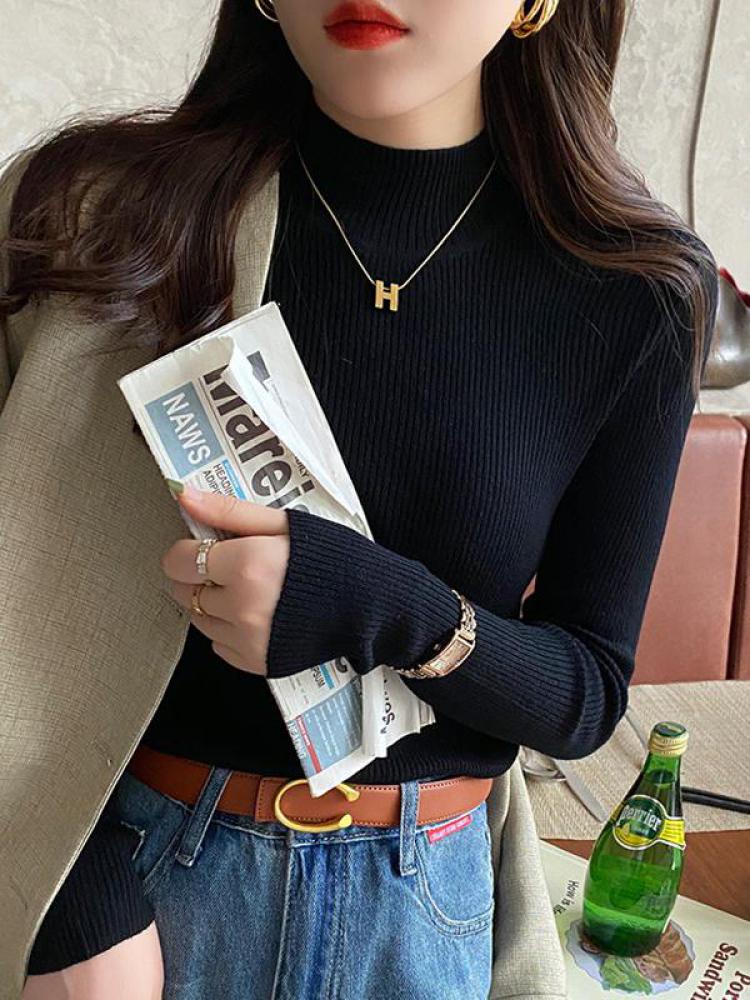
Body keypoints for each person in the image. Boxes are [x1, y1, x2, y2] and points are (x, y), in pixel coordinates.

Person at [2, 0, 718, 998]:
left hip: (424, 916)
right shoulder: (88, 215)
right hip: (126, 902)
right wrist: (70, 909)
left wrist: (383, 605)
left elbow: (584, 691)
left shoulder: (635, 291)